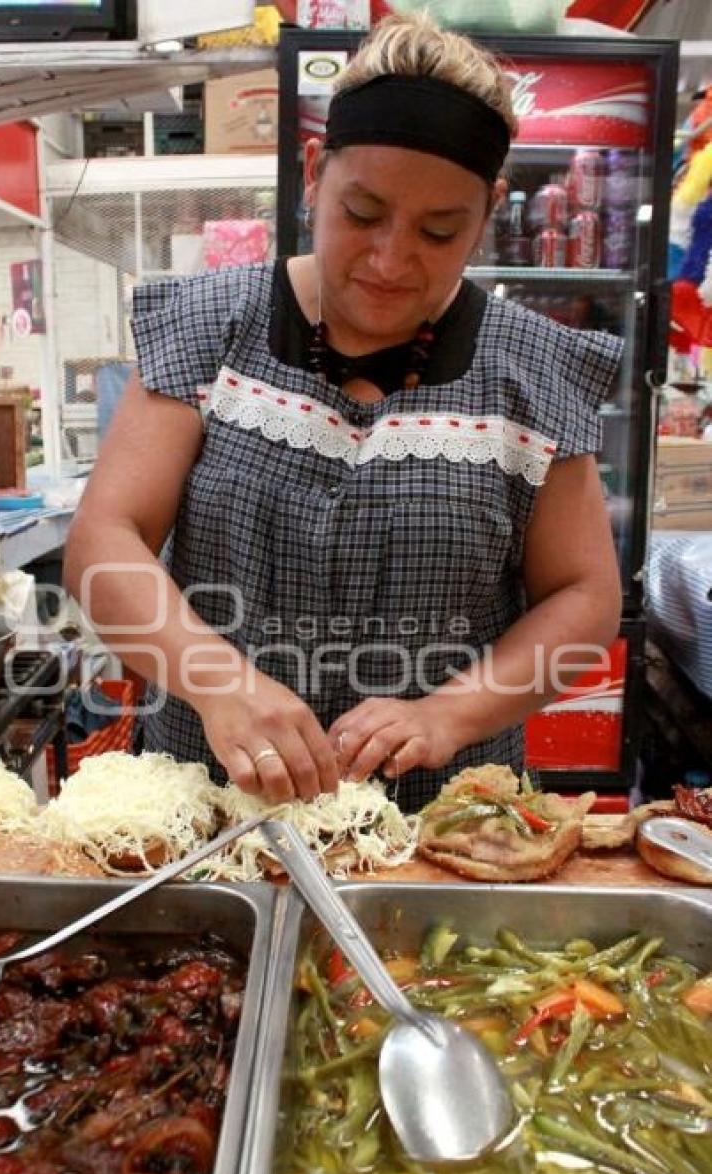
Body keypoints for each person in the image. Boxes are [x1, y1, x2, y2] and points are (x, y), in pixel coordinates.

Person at [64, 13, 622, 814]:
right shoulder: (210, 328)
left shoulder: (532, 369)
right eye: (362, 213)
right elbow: (103, 540)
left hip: (441, 821)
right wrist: (220, 683)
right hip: (212, 802)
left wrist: (447, 712)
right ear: (316, 170)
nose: (392, 260)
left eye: (439, 230)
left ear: (491, 207)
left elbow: (584, 596)